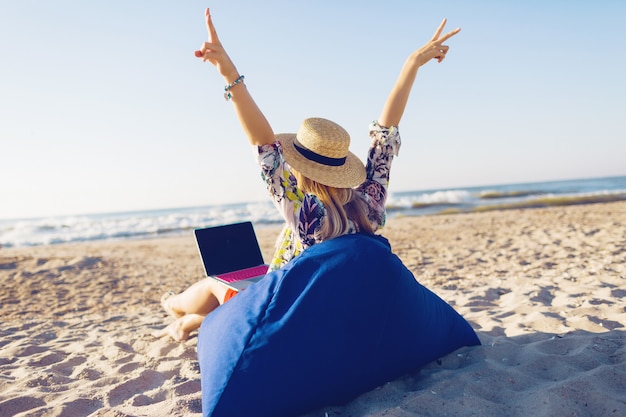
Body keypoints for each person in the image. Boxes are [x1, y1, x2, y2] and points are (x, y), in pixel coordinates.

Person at [153, 7, 460, 341]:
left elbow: (263, 143)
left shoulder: (305, 215)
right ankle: (188, 321)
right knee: (238, 284)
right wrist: (411, 65)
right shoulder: (369, 206)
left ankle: (174, 307)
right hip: (338, 308)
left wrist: (229, 73)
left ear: (298, 166)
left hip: (285, 311)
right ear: (343, 167)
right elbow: (384, 137)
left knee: (215, 283)